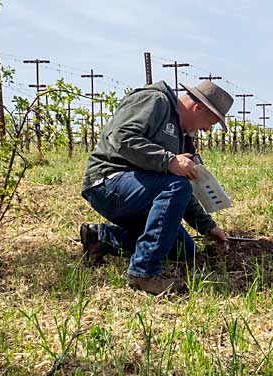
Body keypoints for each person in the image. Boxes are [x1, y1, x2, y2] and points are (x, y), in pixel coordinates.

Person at [79, 80, 233, 295]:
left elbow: (181, 189)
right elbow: (121, 137)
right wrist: (168, 161)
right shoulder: (155, 100)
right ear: (198, 108)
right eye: (210, 122)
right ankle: (144, 273)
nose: (207, 129)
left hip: (141, 193)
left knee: (182, 249)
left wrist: (207, 227)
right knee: (175, 186)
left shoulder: (182, 139)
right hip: (107, 182)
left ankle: (101, 238)